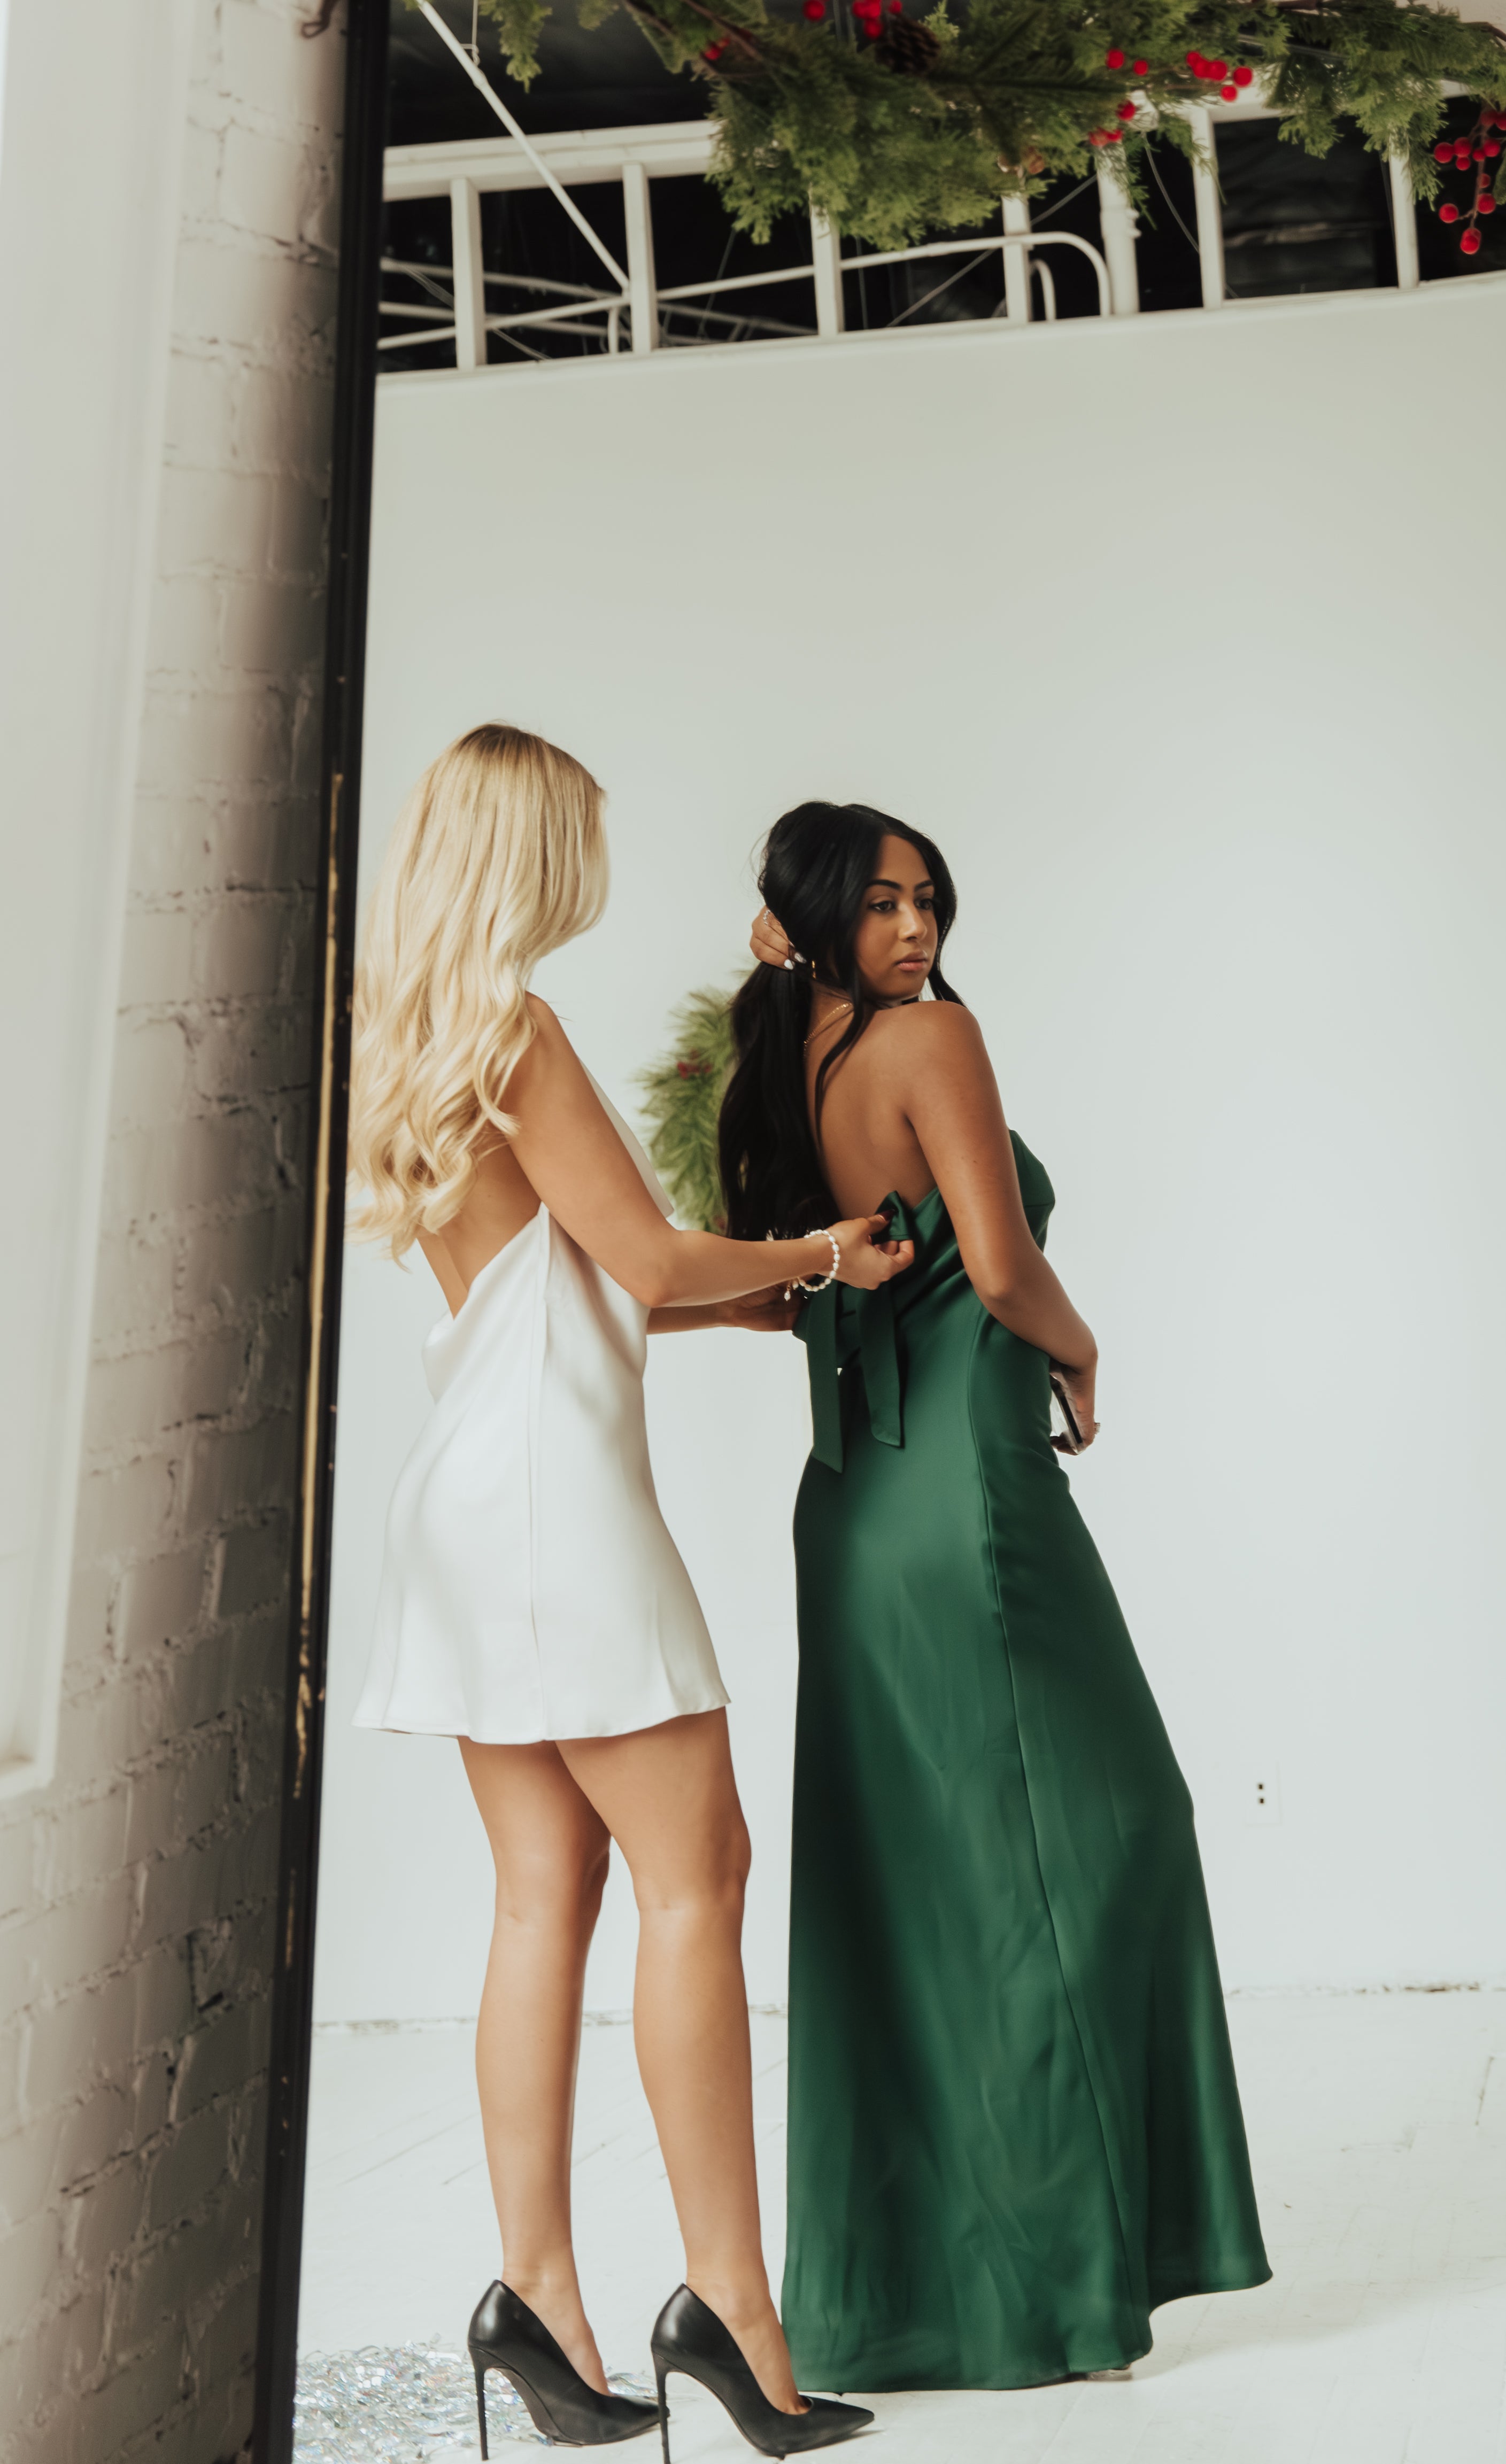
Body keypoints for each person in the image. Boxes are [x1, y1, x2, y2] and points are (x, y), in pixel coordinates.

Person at [346, 727, 896, 2458]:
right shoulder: (515, 1025)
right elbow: (641, 1256)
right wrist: (820, 1254)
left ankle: (538, 2298)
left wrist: (746, 1301)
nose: (597, 856)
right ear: (531, 850)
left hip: (468, 1494)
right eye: (579, 831)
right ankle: (732, 2308)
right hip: (553, 1506)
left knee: (542, 1895)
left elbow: (576, 1281)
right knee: (696, 1870)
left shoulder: (419, 1031)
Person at [721, 800, 1270, 2393]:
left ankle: (925, 2294)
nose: (917, 931)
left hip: (853, 1505)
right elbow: (1004, 1261)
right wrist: (1083, 1352)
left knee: (924, 1887)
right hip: (971, 1487)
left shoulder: (782, 1062)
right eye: (880, 904)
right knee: (1103, 1833)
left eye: (929, 901)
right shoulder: (930, 1039)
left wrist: (784, 958)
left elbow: (770, 1284)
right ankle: (1057, 2291)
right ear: (822, 916)